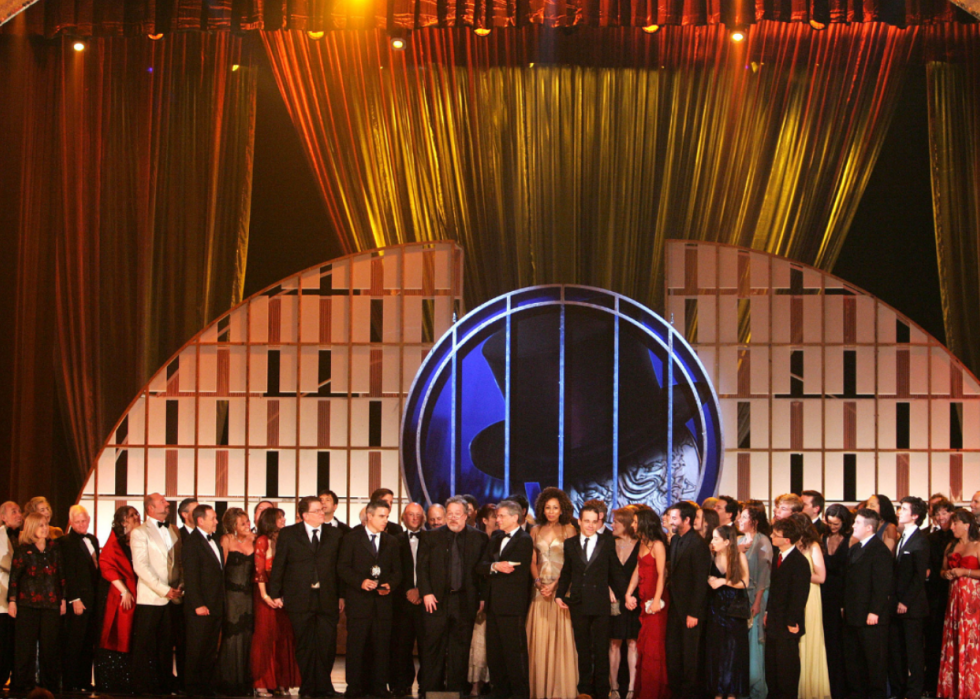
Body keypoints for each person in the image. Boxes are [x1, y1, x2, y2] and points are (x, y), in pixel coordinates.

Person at [268, 496, 345, 698]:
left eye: (322, 509)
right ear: (304, 515)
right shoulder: (288, 534)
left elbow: (340, 568)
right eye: (318, 510)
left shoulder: (335, 534)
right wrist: (274, 593)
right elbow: (279, 565)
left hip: (327, 597)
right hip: (299, 598)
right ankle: (308, 686)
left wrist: (342, 595)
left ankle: (324, 686)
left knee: (327, 644)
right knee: (305, 644)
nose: (323, 513)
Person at [417, 496, 489, 695]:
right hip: (436, 601)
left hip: (465, 601)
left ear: (466, 516)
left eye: (458, 514)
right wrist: (427, 593)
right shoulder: (431, 537)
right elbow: (421, 569)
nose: (453, 518)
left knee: (460, 649)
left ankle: (457, 691)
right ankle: (430, 691)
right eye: (450, 514)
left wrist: (482, 597)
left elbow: (483, 572)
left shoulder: (479, 538)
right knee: (433, 648)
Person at [556, 501, 626, 699]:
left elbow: (616, 572)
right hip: (578, 602)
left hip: (600, 603)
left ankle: (602, 692)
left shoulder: (607, 542)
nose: (590, 525)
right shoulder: (570, 544)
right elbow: (567, 572)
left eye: (594, 522)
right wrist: (560, 594)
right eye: (586, 521)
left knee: (601, 649)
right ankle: (585, 690)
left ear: (598, 522)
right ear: (579, 521)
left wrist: (626, 594)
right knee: (583, 649)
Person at [339, 498, 403, 698]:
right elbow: (342, 567)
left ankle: (379, 686)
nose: (385, 520)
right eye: (381, 516)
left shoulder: (391, 541)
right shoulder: (351, 538)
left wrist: (390, 585)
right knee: (356, 646)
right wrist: (360, 582)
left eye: (387, 516)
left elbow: (397, 571)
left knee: (382, 646)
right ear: (369, 516)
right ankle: (354, 686)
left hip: (382, 603)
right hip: (359, 602)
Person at [478, 499, 534, 699]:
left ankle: (520, 694)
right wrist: (495, 566)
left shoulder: (525, 539)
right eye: (496, 516)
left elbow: (515, 570)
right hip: (493, 604)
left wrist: (495, 567)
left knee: (514, 653)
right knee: (495, 653)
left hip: (512, 605)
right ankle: (499, 691)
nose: (497, 519)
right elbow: (481, 565)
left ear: (514, 517)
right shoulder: (495, 537)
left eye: (501, 516)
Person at [527, 488, 579, 699]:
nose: (551, 511)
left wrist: (556, 586)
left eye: (555, 508)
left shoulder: (569, 529)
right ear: (541, 509)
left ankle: (560, 690)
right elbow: (532, 561)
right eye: (547, 507)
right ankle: (539, 689)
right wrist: (539, 583)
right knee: (538, 640)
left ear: (562, 509)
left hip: (560, 590)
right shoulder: (535, 530)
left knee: (561, 639)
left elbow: (571, 563)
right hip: (539, 591)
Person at [130, 492, 183, 695]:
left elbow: (179, 563)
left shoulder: (174, 530)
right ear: (150, 508)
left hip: (172, 597)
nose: (167, 504)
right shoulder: (139, 532)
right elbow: (141, 567)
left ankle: (165, 684)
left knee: (166, 644)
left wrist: (178, 588)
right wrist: (164, 590)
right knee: (145, 644)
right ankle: (143, 686)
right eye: (162, 501)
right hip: (151, 597)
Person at [7, 512, 65, 693]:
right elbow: (14, 577)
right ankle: (22, 687)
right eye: (41, 525)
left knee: (50, 648)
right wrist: (12, 600)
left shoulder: (54, 548)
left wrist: (62, 599)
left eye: (46, 524)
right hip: (27, 604)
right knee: (25, 648)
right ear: (32, 527)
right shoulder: (23, 549)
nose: (45, 528)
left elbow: (61, 575)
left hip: (50, 604)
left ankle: (50, 687)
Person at [843, 508, 892, 699]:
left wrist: (875, 611)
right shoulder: (855, 548)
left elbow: (882, 585)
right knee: (854, 660)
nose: (853, 526)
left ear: (869, 528)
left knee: (874, 662)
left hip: (871, 616)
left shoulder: (880, 551)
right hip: (853, 613)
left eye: (857, 523)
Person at [252, 507, 301, 696]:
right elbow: (259, 572)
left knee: (284, 637)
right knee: (265, 637)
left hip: (282, 594)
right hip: (265, 594)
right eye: (281, 518)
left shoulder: (283, 539)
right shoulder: (262, 540)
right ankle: (262, 682)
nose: (284, 520)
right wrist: (266, 596)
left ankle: (281, 681)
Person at [664, 501, 711, 698]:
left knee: (690, 656)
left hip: (690, 610)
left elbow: (701, 582)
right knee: (673, 653)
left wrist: (694, 612)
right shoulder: (675, 540)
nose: (671, 521)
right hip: (675, 607)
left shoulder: (698, 544)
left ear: (687, 519)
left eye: (675, 518)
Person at [624, 509, 669, 699]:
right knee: (644, 645)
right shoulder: (642, 542)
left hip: (656, 602)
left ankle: (654, 693)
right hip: (644, 600)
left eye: (635, 522)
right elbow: (637, 569)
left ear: (644, 522)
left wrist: (657, 599)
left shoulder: (658, 545)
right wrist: (628, 593)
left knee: (653, 647)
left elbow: (662, 574)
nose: (632, 525)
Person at [936, 508, 980, 699]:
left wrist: (965, 572)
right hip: (954, 601)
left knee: (971, 642)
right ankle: (953, 689)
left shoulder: (978, 545)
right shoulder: (951, 546)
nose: (951, 527)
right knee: (954, 641)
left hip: (973, 602)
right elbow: (942, 570)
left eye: (955, 523)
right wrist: (947, 574)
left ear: (967, 525)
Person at [785, 513, 830, 699]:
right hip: (790, 596)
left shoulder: (813, 546)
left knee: (807, 639)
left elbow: (821, 577)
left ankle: (810, 689)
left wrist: (799, 576)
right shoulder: (788, 545)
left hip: (809, 596)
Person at [889, 496, 929, 699]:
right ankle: (900, 689)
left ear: (915, 515)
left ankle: (914, 692)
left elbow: (919, 576)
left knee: (913, 651)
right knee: (898, 650)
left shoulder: (920, 541)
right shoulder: (902, 537)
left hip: (912, 607)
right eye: (900, 508)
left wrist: (905, 601)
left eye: (904, 509)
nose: (899, 512)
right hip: (897, 604)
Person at [97, 505, 140, 693]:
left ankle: (133, 680)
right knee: (118, 635)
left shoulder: (139, 538)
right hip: (120, 596)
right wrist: (124, 591)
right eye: (132, 515)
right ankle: (113, 682)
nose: (137, 517)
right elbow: (107, 565)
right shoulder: (115, 541)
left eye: (137, 513)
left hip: (140, 595)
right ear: (123, 522)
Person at [765, 517, 810, 699]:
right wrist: (768, 612)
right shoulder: (778, 556)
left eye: (776, 535)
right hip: (775, 620)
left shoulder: (799, 562)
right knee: (772, 666)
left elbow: (799, 596)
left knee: (787, 668)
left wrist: (792, 621)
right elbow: (774, 589)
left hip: (788, 623)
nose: (771, 537)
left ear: (787, 540)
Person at [183, 504, 225, 696]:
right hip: (201, 606)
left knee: (209, 649)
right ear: (201, 520)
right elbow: (191, 577)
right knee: (197, 648)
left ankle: (206, 686)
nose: (217, 521)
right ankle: (192, 688)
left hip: (216, 604)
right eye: (213, 518)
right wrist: (198, 604)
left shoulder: (214, 540)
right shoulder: (192, 542)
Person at [704, 525, 750, 698]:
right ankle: (717, 691)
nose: (712, 542)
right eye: (712, 538)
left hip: (733, 611)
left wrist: (724, 582)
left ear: (727, 541)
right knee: (716, 651)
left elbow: (745, 581)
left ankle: (731, 692)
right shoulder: (710, 558)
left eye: (716, 539)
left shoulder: (739, 557)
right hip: (715, 610)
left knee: (733, 652)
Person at [61, 504, 101, 691]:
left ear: (89, 520)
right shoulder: (65, 542)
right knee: (74, 642)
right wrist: (74, 599)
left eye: (83, 521)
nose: (81, 525)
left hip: (93, 599)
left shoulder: (93, 539)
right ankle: (71, 683)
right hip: (78, 600)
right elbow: (68, 573)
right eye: (77, 522)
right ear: (71, 522)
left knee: (88, 642)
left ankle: (85, 681)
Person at [216, 507, 255, 695]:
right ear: (232, 526)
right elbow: (220, 570)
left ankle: (246, 681)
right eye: (243, 523)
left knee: (247, 635)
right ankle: (229, 681)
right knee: (232, 636)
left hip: (249, 595)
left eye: (248, 521)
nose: (248, 525)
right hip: (231, 596)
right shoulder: (226, 540)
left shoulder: (254, 540)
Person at [392, 501, 427, 696]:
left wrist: (420, 590)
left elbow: (435, 570)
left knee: (426, 646)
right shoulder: (393, 540)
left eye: (418, 515)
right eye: (410, 514)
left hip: (426, 602)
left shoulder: (433, 539)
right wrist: (408, 590)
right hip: (402, 602)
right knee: (401, 646)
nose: (414, 518)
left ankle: (425, 684)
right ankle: (402, 684)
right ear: (403, 518)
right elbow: (393, 570)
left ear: (423, 519)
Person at [737, 504, 771, 699]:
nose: (740, 521)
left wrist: (757, 602)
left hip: (757, 594)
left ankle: (758, 689)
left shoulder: (763, 541)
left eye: (744, 517)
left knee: (755, 641)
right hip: (741, 595)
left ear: (755, 521)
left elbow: (764, 577)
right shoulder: (740, 540)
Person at [609, 507, 641, 699]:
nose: (611, 525)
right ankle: (613, 686)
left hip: (633, 600)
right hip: (613, 600)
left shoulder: (641, 544)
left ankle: (631, 687)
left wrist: (631, 596)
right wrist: (608, 589)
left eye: (616, 522)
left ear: (627, 524)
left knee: (632, 642)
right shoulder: (607, 543)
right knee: (613, 643)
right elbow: (600, 569)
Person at [924, 498, 955, 696]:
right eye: (937, 514)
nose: (941, 517)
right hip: (935, 593)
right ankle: (932, 685)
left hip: (955, 592)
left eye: (945, 513)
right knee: (934, 640)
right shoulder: (931, 538)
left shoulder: (961, 536)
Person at [821, 503, 852, 699]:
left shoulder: (850, 540)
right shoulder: (822, 538)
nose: (833, 527)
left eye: (836, 524)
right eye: (830, 523)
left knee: (840, 641)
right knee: (826, 639)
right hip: (823, 592)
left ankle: (842, 688)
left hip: (841, 592)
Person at [469, 503, 497, 696]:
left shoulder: (501, 539)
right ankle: (476, 683)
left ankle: (493, 681)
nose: (499, 519)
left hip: (497, 598)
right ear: (485, 520)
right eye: (496, 516)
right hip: (478, 598)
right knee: (478, 643)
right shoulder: (477, 540)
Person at [0, 501, 21, 688]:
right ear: (3, 517)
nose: (18, 514)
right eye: (13, 511)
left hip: (19, 600)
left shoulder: (22, 537)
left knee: (14, 644)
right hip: (2, 598)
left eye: (19, 511)